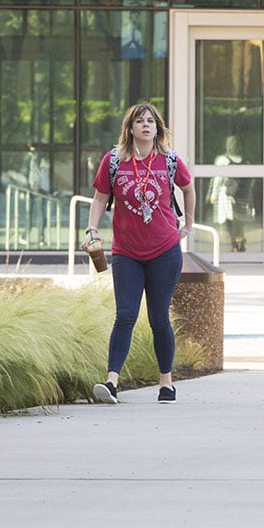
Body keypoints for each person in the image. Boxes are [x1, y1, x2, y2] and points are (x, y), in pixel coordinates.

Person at [84, 102, 196, 404]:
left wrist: (188, 222)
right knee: (125, 315)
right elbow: (99, 199)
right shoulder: (113, 161)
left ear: (157, 128)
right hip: (126, 252)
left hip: (164, 251)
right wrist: (92, 229)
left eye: (151, 121)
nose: (146, 125)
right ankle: (111, 382)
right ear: (130, 128)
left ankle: (166, 383)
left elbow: (188, 187)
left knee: (159, 316)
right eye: (140, 121)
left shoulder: (169, 160)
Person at [208, 135, 247, 252]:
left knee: (228, 222)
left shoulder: (222, 160)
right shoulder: (245, 161)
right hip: (241, 197)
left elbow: (217, 179)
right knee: (239, 221)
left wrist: (213, 195)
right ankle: (239, 241)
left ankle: (234, 244)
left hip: (226, 196)